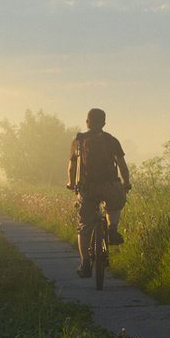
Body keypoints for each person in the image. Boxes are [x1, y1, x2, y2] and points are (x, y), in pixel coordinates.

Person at [66, 108, 131, 278]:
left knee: (84, 225)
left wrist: (71, 183)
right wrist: (126, 183)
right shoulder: (111, 140)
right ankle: (112, 228)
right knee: (115, 204)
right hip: (110, 185)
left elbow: (72, 168)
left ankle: (85, 263)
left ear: (87, 122)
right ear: (103, 123)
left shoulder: (78, 141)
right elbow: (122, 166)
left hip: (88, 188)